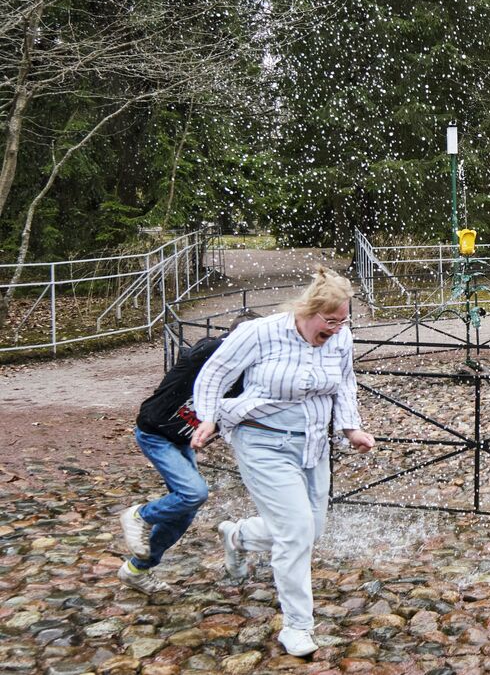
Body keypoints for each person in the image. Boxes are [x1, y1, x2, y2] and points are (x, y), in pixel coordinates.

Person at [191, 266, 375, 659]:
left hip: (313, 444)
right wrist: (207, 417)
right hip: (262, 441)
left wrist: (351, 429)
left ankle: (238, 536)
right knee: (295, 533)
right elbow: (214, 374)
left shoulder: (341, 340)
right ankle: (298, 626)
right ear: (309, 311)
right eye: (330, 321)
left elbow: (344, 383)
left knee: (312, 530)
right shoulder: (260, 332)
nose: (337, 330)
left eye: (344, 321)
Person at [117, 312, 259, 595]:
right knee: (194, 493)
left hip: (181, 441)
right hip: (155, 433)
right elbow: (210, 348)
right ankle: (140, 516)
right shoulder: (210, 351)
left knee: (184, 511)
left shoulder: (245, 375)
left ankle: (137, 570)